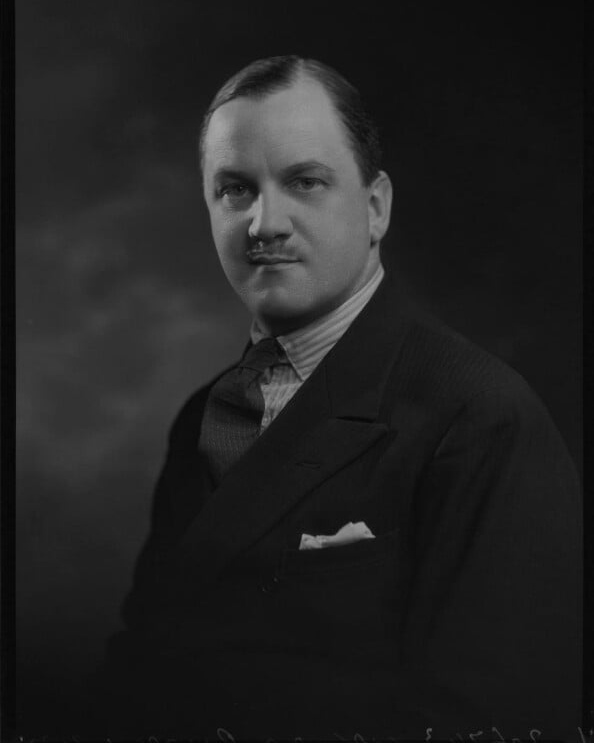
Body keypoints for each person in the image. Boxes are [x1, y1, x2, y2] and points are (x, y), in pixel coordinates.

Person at [99, 55, 582, 741]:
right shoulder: (202, 416)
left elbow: (494, 716)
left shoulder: (481, 415)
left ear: (375, 206)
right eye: (235, 189)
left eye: (305, 182)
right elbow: (143, 664)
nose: (264, 223)